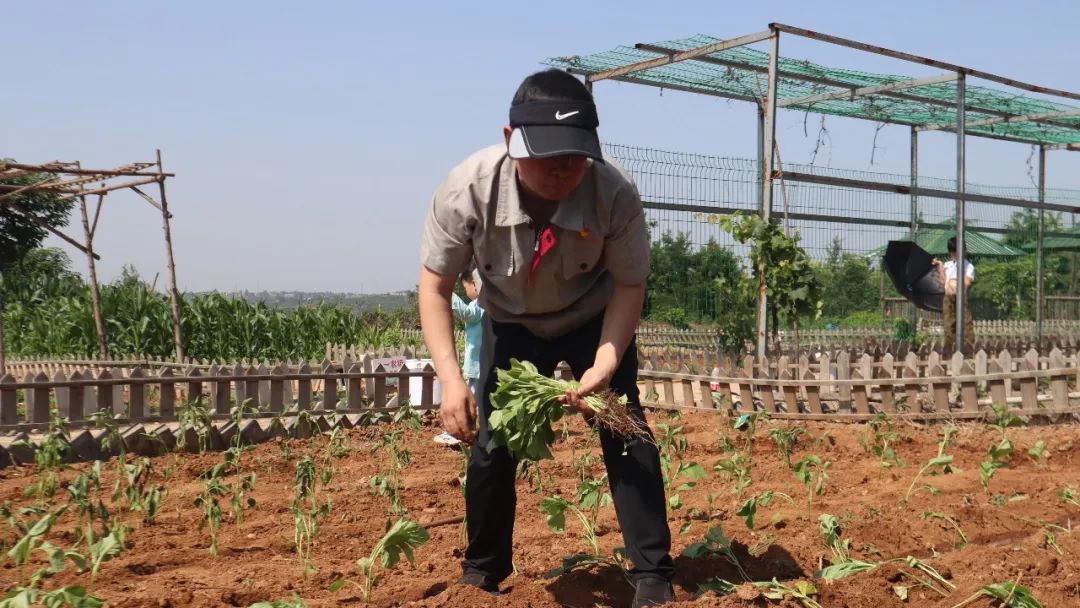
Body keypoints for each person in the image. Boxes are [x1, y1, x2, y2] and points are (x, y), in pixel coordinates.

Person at [418, 68, 675, 607]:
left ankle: (653, 575)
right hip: (511, 322)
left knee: (624, 429)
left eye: (577, 155)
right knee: (493, 443)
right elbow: (435, 287)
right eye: (549, 154)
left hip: (593, 317)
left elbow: (630, 284)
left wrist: (606, 363)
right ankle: (483, 570)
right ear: (512, 141)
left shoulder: (614, 192)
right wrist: (449, 377)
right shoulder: (467, 190)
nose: (564, 168)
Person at [434, 267, 485, 447]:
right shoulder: (492, 305)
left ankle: (458, 432)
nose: (466, 291)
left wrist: (446, 294)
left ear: (475, 284)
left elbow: (466, 314)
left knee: (467, 401)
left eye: (466, 287)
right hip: (482, 363)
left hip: (477, 365)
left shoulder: (480, 304)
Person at [934, 236, 975, 353]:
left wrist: (955, 283)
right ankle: (949, 350)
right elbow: (943, 282)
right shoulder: (948, 265)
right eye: (953, 253)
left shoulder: (968, 266)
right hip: (948, 298)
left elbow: (966, 282)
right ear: (950, 253)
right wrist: (940, 267)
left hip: (961, 298)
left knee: (965, 323)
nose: (956, 255)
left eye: (958, 252)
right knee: (948, 324)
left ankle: (968, 350)